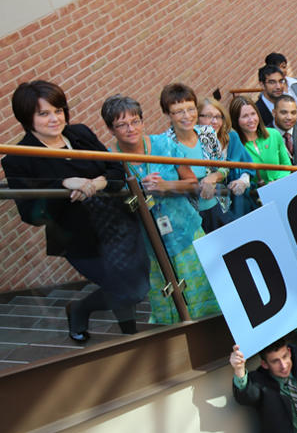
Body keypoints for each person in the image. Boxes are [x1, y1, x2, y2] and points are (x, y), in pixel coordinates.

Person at [3, 81, 150, 343]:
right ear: (27, 118)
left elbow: (116, 169)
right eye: (44, 113)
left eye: (58, 111)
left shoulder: (80, 134)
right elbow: (30, 214)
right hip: (80, 240)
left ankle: (124, 332)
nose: (54, 119)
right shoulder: (18, 158)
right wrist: (61, 185)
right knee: (128, 289)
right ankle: (91, 315)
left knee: (135, 286)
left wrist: (100, 182)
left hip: (120, 225)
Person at [102, 94, 219, 324]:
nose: (130, 129)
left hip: (186, 232)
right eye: (121, 125)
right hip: (149, 244)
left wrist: (167, 186)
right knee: (169, 301)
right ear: (110, 129)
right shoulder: (109, 159)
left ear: (143, 121)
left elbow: (193, 184)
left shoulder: (164, 145)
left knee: (205, 290)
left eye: (135, 121)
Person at [155, 83, 230, 232]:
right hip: (190, 218)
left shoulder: (207, 133)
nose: (187, 116)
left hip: (219, 208)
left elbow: (224, 166)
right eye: (178, 112)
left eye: (191, 109)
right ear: (168, 114)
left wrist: (214, 177)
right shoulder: (163, 146)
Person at [197, 97, 256, 220]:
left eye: (218, 117)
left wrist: (244, 180)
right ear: (197, 118)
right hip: (215, 205)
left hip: (240, 200)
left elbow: (247, 165)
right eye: (208, 116)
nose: (214, 121)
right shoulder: (196, 145)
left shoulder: (232, 137)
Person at [230, 95, 291, 185]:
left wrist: (276, 181)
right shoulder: (235, 145)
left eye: (253, 114)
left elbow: (287, 166)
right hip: (255, 195)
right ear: (236, 120)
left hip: (282, 186)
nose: (251, 120)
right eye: (245, 116)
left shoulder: (274, 134)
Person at [255, 64, 289, 128]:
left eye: (281, 81)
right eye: (272, 82)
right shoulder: (256, 112)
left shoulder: (289, 103)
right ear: (262, 84)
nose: (278, 87)